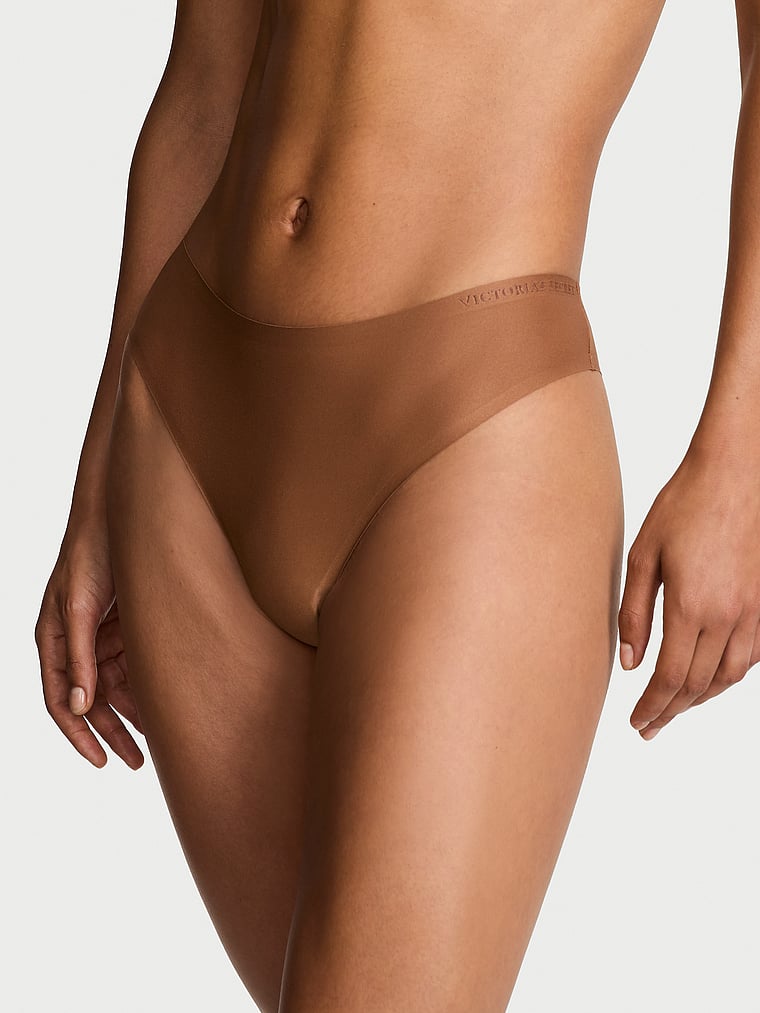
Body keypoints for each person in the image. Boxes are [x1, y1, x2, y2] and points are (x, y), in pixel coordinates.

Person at [34, 1, 760, 1009]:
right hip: (186, 423)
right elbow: (204, 79)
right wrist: (96, 480)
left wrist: (742, 456)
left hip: (466, 429)